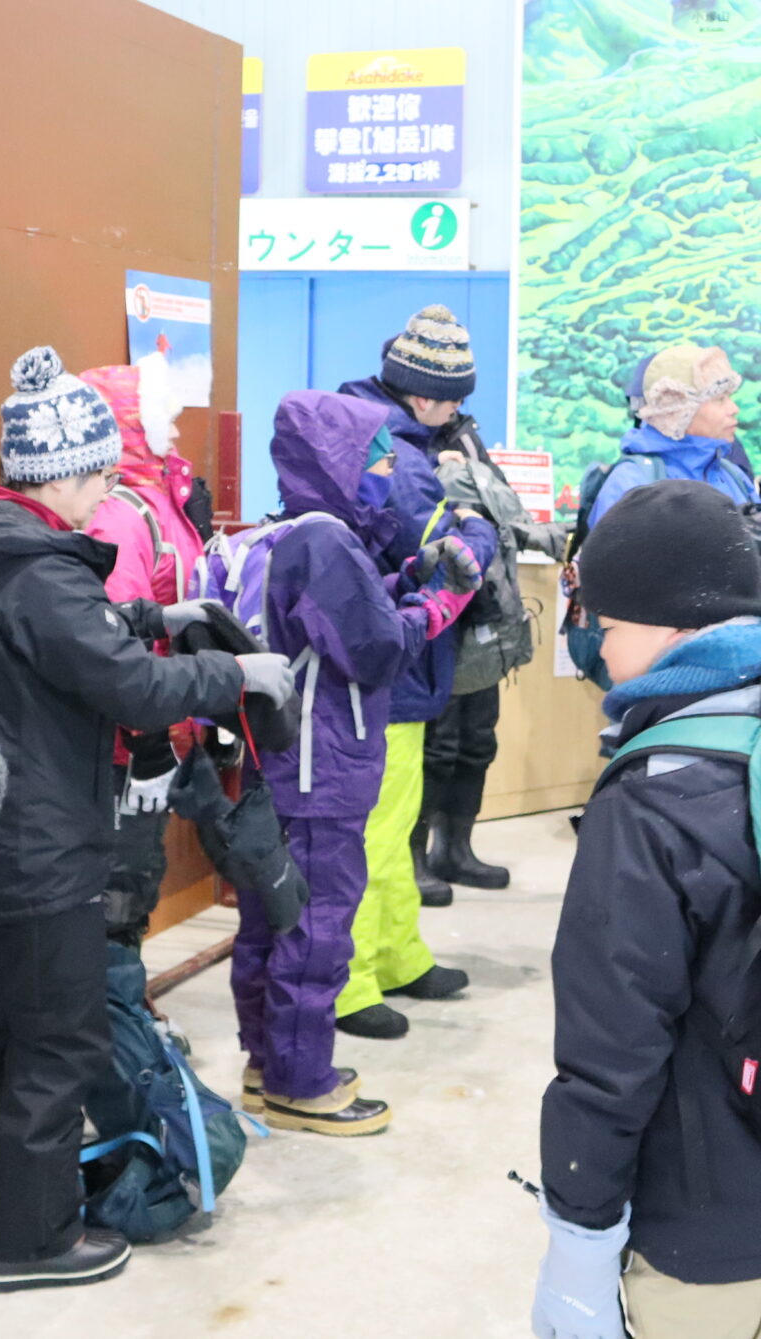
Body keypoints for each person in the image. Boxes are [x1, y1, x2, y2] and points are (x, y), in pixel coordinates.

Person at [0, 347, 277, 1291]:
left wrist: (149, 617)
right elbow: (130, 689)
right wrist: (230, 672)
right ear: (58, 474)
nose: (109, 490)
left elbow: (63, 646)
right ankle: (31, 1241)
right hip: (46, 839)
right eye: (101, 473)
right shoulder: (40, 572)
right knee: (59, 1037)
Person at [534, 480, 761, 1339]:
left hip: (703, 1211)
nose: (593, 645)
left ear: (672, 627)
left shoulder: (651, 799)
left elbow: (612, 1048)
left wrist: (579, 1231)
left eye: (604, 624)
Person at [232, 389, 479, 1130]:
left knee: (269, 924)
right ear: (339, 463)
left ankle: (267, 1063)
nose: (387, 471)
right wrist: (438, 603)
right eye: (376, 459)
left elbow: (332, 621)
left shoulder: (289, 532)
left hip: (277, 766)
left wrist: (406, 578)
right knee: (316, 931)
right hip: (322, 771)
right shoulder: (329, 544)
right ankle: (303, 1084)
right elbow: (373, 649)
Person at [336, 307, 501, 1030]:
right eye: (454, 398)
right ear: (425, 394)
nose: (458, 412)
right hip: (390, 667)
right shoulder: (400, 461)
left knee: (396, 815)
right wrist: (479, 526)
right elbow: (444, 554)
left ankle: (396, 954)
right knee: (375, 828)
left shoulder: (377, 435)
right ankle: (350, 981)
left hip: (387, 662)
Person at [419, 325, 570, 897]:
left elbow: (501, 507)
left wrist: (544, 536)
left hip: (485, 606)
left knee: (477, 738)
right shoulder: (399, 438)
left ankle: (456, 849)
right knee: (437, 744)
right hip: (436, 607)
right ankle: (415, 855)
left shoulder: (466, 433)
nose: (457, 403)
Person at [81, 360, 209, 944]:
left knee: (137, 879)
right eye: (165, 421)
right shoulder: (117, 516)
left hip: (159, 718)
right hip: (126, 743)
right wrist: (148, 740)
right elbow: (117, 636)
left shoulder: (159, 500)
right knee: (120, 891)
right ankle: (115, 996)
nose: (176, 433)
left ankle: (123, 990)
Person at [584, 343, 756, 526]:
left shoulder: (732, 475)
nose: (734, 409)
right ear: (679, 409)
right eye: (720, 399)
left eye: (730, 397)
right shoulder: (631, 485)